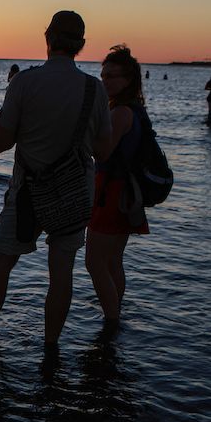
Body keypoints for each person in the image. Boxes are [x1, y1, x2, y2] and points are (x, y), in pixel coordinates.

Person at [0, 10, 113, 349]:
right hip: (73, 193)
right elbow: (104, 151)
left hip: (27, 192)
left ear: (47, 38)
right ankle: (50, 348)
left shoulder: (24, 82)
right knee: (61, 273)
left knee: (1, 264)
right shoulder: (93, 90)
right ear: (81, 44)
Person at [85, 45, 150, 327]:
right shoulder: (134, 110)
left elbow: (102, 153)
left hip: (110, 192)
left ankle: (111, 320)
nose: (105, 81)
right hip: (123, 191)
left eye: (112, 76)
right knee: (113, 261)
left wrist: (83, 135)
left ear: (129, 80)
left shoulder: (121, 112)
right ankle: (115, 313)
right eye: (103, 75)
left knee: (94, 262)